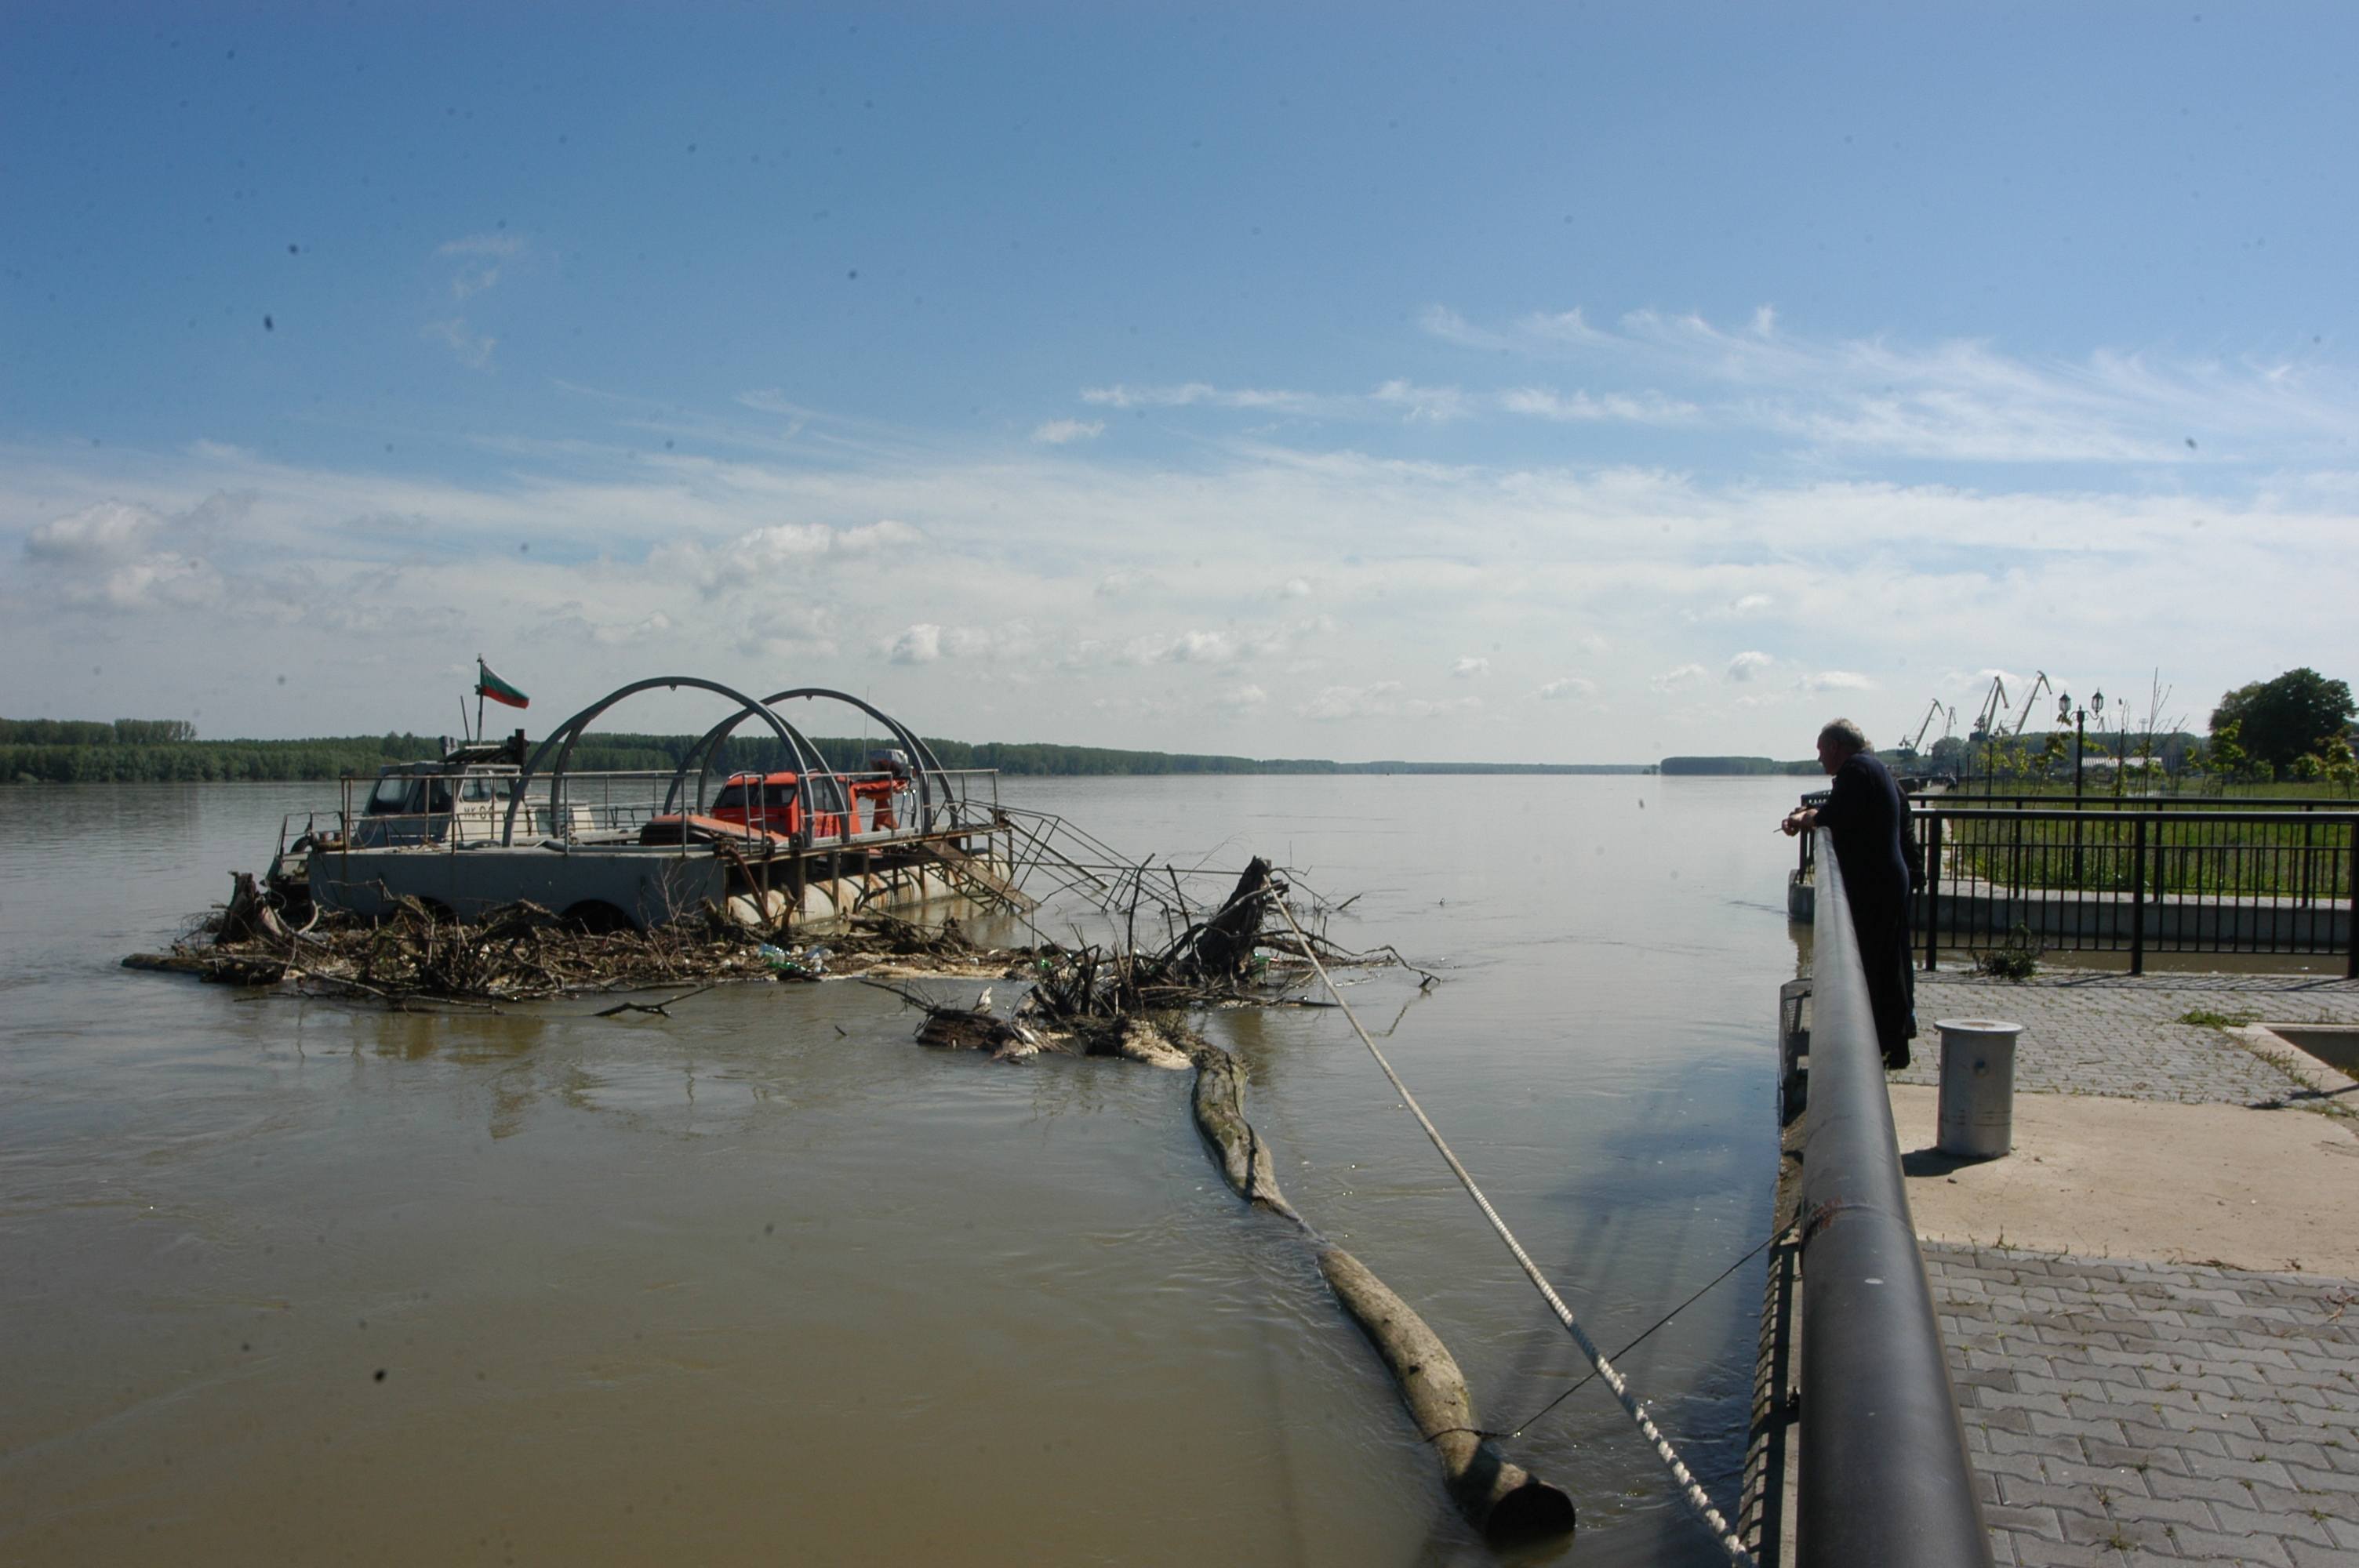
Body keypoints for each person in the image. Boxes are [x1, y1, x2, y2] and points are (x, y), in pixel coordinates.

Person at [1781, 719, 1916, 1069]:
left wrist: (1808, 816)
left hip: (1877, 885)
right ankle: (1892, 1043)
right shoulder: (1870, 767)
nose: (1819, 758)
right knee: (1888, 964)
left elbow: (1833, 816)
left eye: (1821, 750)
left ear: (1836, 747)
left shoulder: (1856, 770)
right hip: (1885, 880)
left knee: (1880, 967)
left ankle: (1888, 1047)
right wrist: (1807, 815)